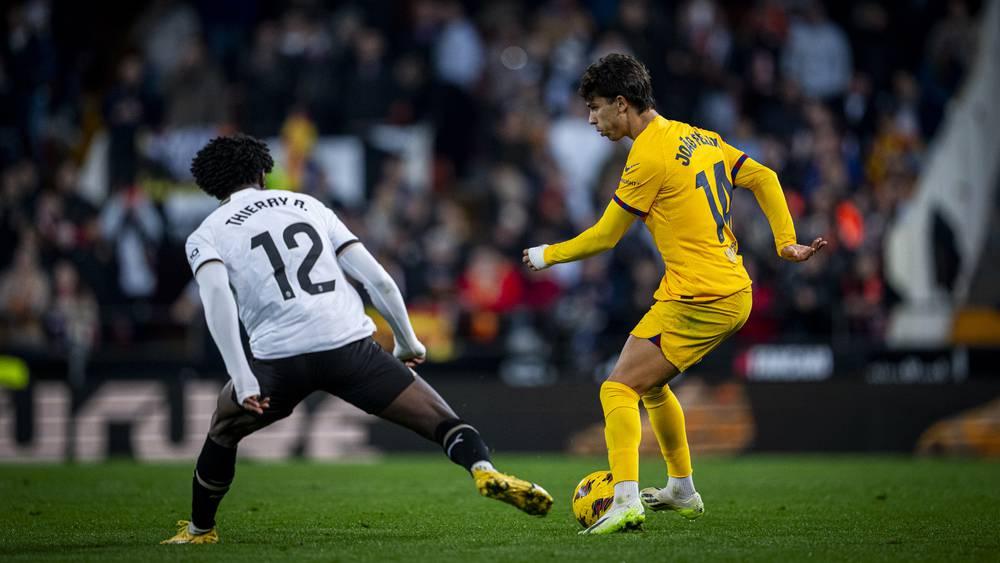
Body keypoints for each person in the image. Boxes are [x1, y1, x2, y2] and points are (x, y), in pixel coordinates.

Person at [162, 134, 552, 545]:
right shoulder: (308, 205)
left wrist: (241, 377)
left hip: (278, 360)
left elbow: (217, 300)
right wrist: (407, 340)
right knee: (443, 422)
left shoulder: (206, 233)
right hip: (349, 346)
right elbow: (377, 279)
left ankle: (200, 530)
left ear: (210, 185)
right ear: (262, 171)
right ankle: (484, 471)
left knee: (223, 431)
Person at [523, 54, 826, 535]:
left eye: (596, 108)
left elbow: (606, 236)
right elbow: (765, 177)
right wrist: (783, 240)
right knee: (652, 386)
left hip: (700, 296)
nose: (591, 119)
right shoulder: (699, 136)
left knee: (617, 387)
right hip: (727, 289)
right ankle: (681, 488)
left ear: (622, 105)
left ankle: (624, 498)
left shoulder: (648, 153)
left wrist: (547, 255)